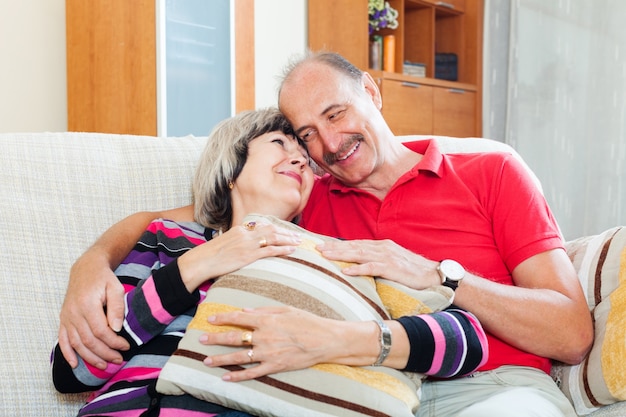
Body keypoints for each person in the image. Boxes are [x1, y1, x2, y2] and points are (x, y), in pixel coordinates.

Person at [59, 52, 593, 416]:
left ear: (372, 92)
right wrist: (91, 263)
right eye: (307, 134)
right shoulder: (306, 200)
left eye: (337, 113)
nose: (329, 144)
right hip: (355, 394)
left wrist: (439, 275)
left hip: (489, 389)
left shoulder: (492, 171)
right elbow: (192, 218)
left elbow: (570, 333)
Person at [53, 107, 487, 416]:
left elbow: (466, 341)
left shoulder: (328, 256)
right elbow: (73, 373)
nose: (300, 158)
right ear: (231, 167)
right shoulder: (169, 242)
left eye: (305, 158)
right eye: (280, 143)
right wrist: (198, 266)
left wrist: (343, 337)